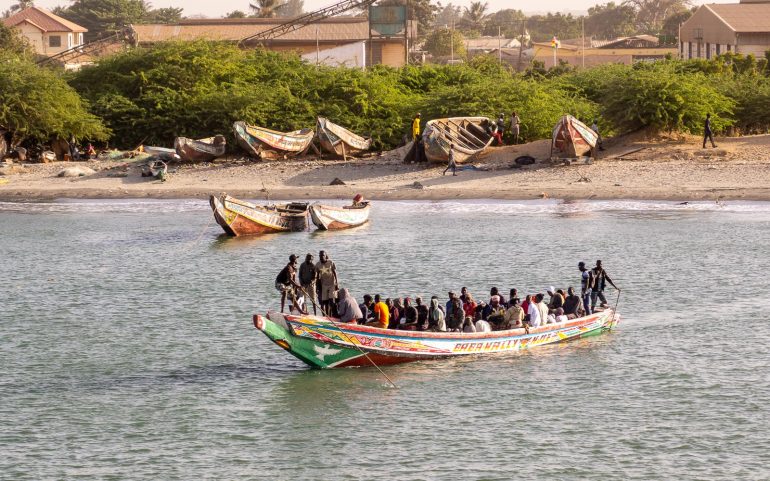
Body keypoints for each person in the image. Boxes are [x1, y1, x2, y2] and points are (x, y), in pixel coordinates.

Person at [315, 250, 338, 316]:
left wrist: (336, 284)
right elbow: (317, 276)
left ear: (325, 256)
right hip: (324, 284)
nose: (321, 257)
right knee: (325, 302)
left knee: (332, 301)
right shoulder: (318, 264)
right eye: (320, 256)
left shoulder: (330, 262)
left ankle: (334, 315)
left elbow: (334, 273)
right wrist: (317, 286)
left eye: (322, 255)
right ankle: (327, 316)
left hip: (332, 284)